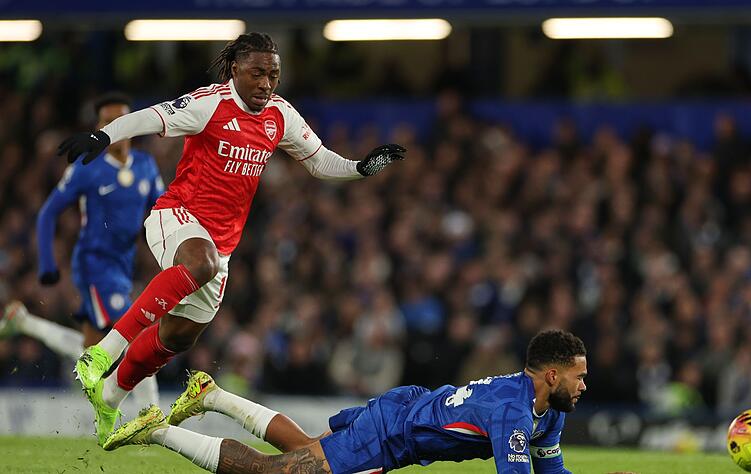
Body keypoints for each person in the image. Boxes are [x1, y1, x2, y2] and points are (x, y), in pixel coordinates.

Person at [56, 32, 406, 446]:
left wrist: (361, 167)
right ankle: (101, 353)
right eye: (258, 73)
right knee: (199, 263)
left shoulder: (280, 115)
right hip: (176, 216)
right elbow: (151, 117)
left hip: (221, 246)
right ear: (235, 69)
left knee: (178, 336)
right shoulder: (211, 104)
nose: (266, 83)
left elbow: (319, 161)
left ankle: (111, 394)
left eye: (273, 74)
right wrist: (103, 136)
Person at [104, 329, 587, 474]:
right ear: (551, 374)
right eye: (578, 376)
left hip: (406, 411)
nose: (584, 386)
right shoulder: (514, 412)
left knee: (305, 450)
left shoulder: (548, 412)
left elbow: (552, 472)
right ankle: (156, 428)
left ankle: (213, 396)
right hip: (393, 434)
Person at [0, 92, 163, 408]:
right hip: (94, 265)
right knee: (134, 331)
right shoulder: (87, 167)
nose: (116, 127)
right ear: (99, 127)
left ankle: (25, 322)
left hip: (123, 264)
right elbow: (48, 212)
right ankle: (152, 413)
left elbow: (162, 206)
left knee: (93, 347)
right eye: (108, 121)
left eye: (122, 120)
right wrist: (47, 263)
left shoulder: (146, 165)